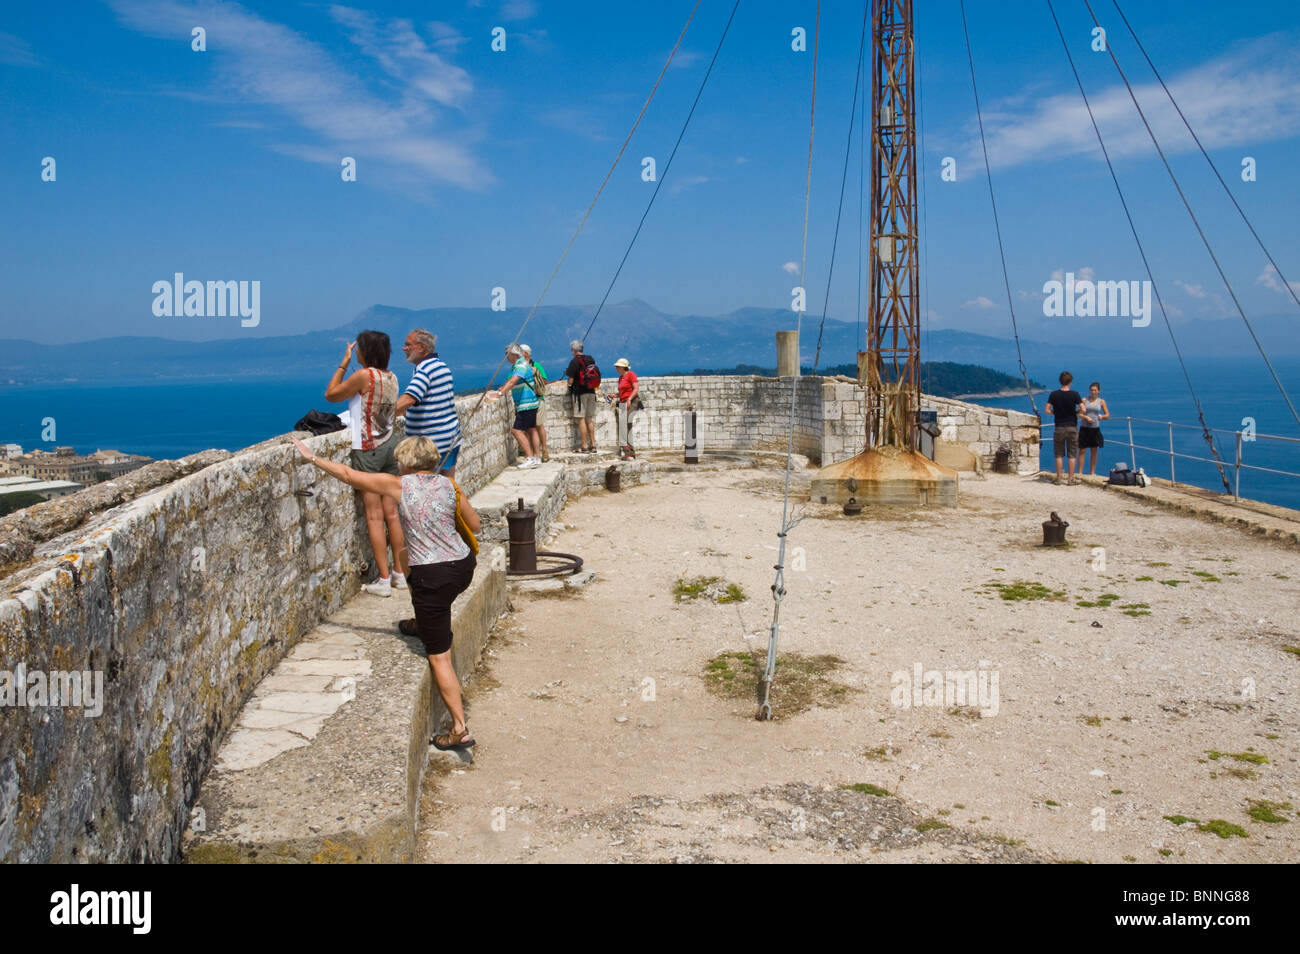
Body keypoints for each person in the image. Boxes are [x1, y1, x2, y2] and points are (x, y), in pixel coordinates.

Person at [289, 434, 481, 750]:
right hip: (462, 567)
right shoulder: (450, 486)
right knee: (405, 559)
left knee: (439, 657)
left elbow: (350, 475)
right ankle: (424, 620)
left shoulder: (398, 486)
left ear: (405, 463)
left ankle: (460, 728)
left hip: (432, 578)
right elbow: (474, 526)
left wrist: (312, 458)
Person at [324, 330, 408, 596]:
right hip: (390, 446)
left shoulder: (364, 376)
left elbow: (331, 395)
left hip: (368, 448)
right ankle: (400, 573)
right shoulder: (392, 377)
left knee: (374, 516)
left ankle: (383, 580)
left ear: (365, 351)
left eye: (358, 348)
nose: (356, 350)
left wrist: (343, 363)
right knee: (392, 514)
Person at [395, 329, 461, 479]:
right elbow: (432, 402)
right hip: (450, 438)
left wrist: (381, 413)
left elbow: (409, 398)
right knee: (448, 486)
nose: (404, 348)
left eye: (408, 345)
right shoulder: (441, 366)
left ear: (421, 348)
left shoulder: (425, 370)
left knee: (425, 490)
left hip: (431, 444)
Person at [494, 344, 540, 469]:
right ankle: (536, 457)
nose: (506, 357)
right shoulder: (523, 364)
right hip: (532, 402)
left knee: (516, 430)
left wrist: (500, 393)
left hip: (525, 404)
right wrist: (504, 388)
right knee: (532, 429)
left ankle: (530, 458)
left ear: (513, 354)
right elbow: (511, 382)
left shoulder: (520, 366)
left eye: (507, 354)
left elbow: (513, 381)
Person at [1045, 371, 1085, 485]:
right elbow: (1083, 409)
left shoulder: (1054, 394)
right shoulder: (1075, 394)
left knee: (1058, 454)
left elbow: (1046, 410)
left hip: (1059, 427)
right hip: (1072, 426)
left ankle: (1058, 478)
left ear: (1060, 381)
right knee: (1072, 455)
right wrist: (1076, 412)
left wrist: (1055, 413)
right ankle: (1070, 479)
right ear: (1070, 381)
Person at [565, 339, 598, 453]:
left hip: (580, 394)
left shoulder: (574, 361)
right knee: (589, 419)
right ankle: (593, 444)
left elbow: (570, 380)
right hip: (591, 391)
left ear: (574, 350)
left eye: (571, 350)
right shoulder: (590, 359)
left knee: (581, 419)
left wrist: (569, 386)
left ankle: (584, 445)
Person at [519, 344, 550, 463]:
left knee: (536, 426)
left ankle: (542, 451)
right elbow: (545, 381)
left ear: (525, 354)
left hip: (534, 399)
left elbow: (510, 380)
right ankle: (539, 452)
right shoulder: (535, 365)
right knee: (534, 427)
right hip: (533, 399)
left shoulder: (530, 366)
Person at [1076, 381, 1109, 476]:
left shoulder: (1101, 402)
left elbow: (1107, 415)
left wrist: (1101, 417)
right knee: (1082, 450)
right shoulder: (1084, 400)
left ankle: (1092, 472)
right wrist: (1086, 417)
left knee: (1094, 451)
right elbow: (1078, 413)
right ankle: (1080, 472)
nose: (1093, 392)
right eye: (1091, 390)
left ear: (1098, 391)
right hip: (1084, 427)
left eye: (1095, 390)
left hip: (1095, 428)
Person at [613, 357, 640, 460]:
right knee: (623, 427)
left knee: (626, 425)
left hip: (631, 402)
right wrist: (615, 395)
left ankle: (630, 452)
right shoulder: (621, 378)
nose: (616, 368)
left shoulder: (631, 375)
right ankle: (628, 452)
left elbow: (636, 389)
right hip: (623, 402)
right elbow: (622, 393)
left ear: (623, 367)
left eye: (618, 367)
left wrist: (629, 398)